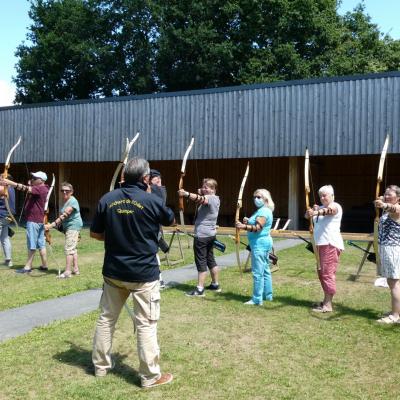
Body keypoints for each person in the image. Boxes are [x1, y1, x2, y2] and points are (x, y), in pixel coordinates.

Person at [90, 157, 175, 388]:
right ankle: (150, 376)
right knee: (146, 324)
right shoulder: (151, 200)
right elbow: (170, 219)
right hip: (143, 275)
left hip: (114, 272)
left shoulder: (108, 199)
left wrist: (118, 237)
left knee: (106, 319)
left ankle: (100, 366)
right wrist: (154, 191)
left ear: (124, 177)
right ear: (146, 178)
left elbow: (95, 234)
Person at [0, 171, 49, 273]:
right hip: (38, 220)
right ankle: (44, 265)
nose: (33, 179)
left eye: (35, 178)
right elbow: (28, 190)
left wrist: (10, 182)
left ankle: (27, 267)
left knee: (32, 244)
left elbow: (24, 188)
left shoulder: (40, 188)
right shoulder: (42, 188)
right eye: (33, 178)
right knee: (41, 244)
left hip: (33, 220)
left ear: (41, 180)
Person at [178, 178, 221, 296]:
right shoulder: (216, 198)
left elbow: (201, 199)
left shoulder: (209, 198)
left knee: (201, 261)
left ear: (213, 189)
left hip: (202, 235)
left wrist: (186, 194)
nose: (203, 188)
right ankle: (215, 284)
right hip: (210, 234)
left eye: (206, 187)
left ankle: (200, 289)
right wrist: (202, 190)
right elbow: (202, 196)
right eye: (203, 186)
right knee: (210, 259)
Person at [305, 185, 344, 313]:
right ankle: (325, 301)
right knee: (321, 273)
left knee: (327, 273)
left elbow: (330, 211)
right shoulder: (320, 208)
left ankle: (328, 305)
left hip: (330, 244)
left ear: (332, 195)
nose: (322, 198)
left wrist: (316, 212)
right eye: (320, 195)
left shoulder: (335, 206)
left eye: (325, 195)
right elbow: (307, 216)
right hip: (320, 245)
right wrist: (310, 212)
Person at [236, 189, 274, 306]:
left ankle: (257, 299)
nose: (256, 199)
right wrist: (248, 221)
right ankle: (268, 295)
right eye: (254, 197)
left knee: (258, 272)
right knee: (265, 270)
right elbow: (256, 222)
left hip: (260, 244)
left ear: (265, 199)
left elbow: (258, 228)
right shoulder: (263, 210)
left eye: (259, 197)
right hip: (262, 242)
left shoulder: (263, 211)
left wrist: (243, 226)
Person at [45, 182, 83, 278]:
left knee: (69, 249)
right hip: (70, 227)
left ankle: (67, 272)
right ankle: (75, 269)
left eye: (67, 190)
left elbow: (65, 215)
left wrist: (52, 225)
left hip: (73, 226)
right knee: (73, 248)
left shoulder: (72, 201)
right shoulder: (67, 201)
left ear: (72, 192)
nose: (65, 192)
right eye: (63, 190)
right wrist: (51, 225)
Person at [374, 185, 400, 323]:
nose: (387, 195)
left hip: (393, 249)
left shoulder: (397, 208)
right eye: (385, 193)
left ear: (398, 198)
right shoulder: (386, 209)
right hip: (387, 249)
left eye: (390, 194)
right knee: (393, 282)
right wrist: (383, 204)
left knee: (394, 282)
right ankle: (396, 311)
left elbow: (393, 209)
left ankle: (395, 316)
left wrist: (383, 204)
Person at [150, 169, 169, 288]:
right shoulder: (158, 190)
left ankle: (159, 279)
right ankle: (159, 279)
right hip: (153, 227)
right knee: (153, 252)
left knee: (152, 252)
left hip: (152, 227)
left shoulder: (158, 190)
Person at [0, 176, 16, 267]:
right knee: (5, 238)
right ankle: (8, 260)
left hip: (2, 216)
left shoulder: (4, 189)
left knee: (4, 238)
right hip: (7, 217)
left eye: (1, 179)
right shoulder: (11, 189)